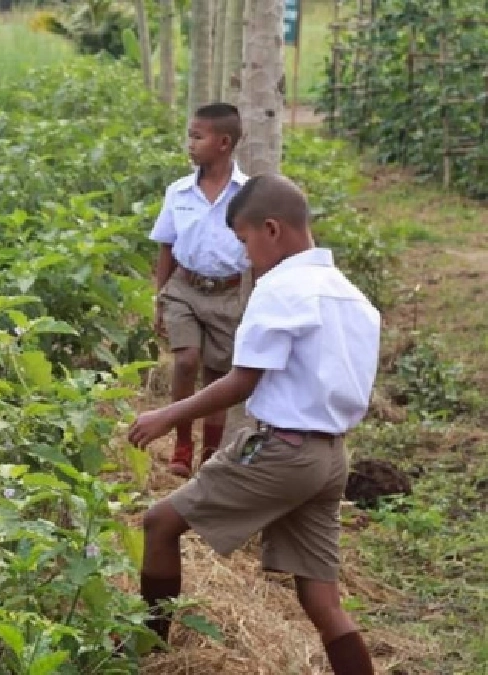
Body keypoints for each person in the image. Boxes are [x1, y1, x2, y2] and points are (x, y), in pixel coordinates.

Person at [128, 174, 381, 675]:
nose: (245, 257)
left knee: (159, 524)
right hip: (331, 458)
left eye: (244, 242)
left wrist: (166, 415)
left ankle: (144, 657)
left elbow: (242, 382)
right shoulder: (353, 298)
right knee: (322, 601)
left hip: (282, 451)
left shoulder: (280, 289)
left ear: (271, 229)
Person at [149, 103, 250, 478]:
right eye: (189, 136)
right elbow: (166, 247)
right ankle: (181, 443)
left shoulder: (247, 194)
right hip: (184, 289)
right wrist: (160, 298)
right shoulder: (178, 192)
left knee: (217, 377)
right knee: (186, 360)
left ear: (224, 143)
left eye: (197, 137)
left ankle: (209, 454)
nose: (190, 144)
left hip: (227, 294)